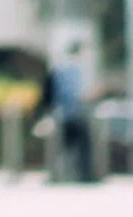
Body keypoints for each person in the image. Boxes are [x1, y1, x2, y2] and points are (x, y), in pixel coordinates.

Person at [38, 40, 96, 184]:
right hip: (71, 114)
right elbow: (70, 93)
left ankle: (58, 175)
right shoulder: (72, 68)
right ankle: (82, 176)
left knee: (63, 146)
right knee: (78, 146)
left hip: (62, 114)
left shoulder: (62, 66)